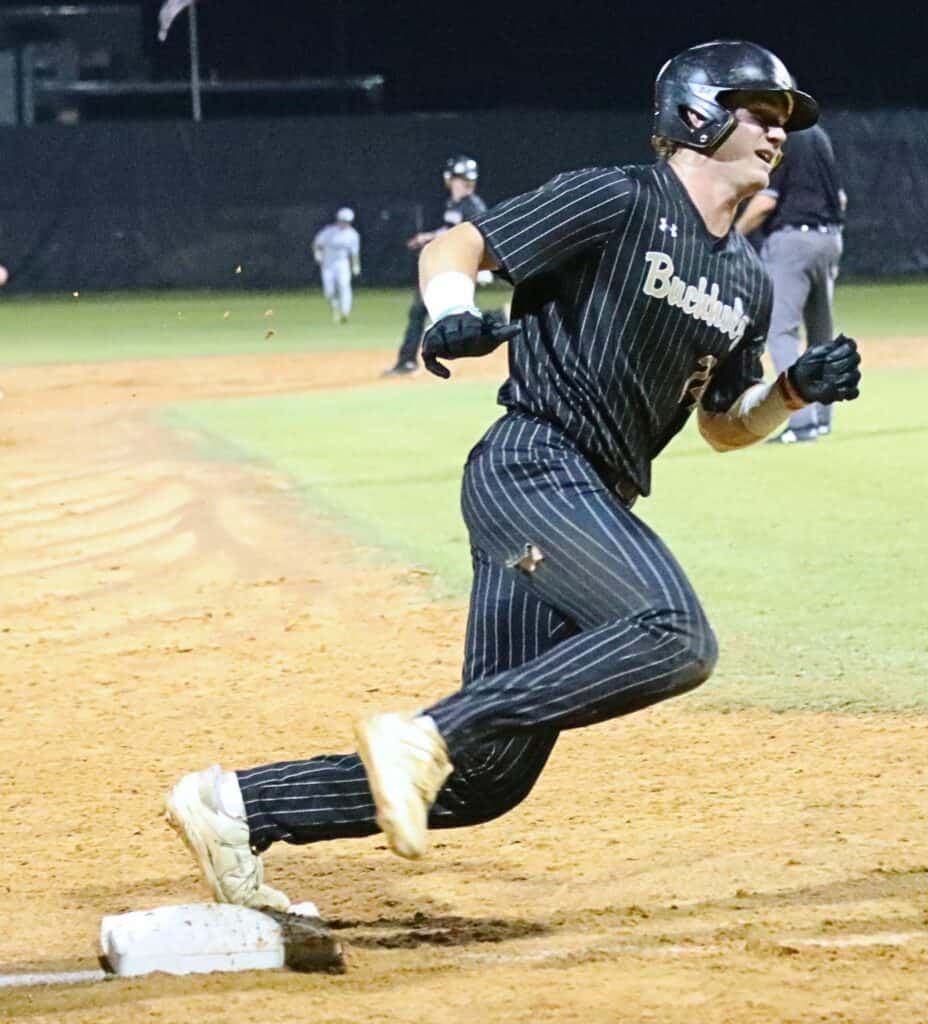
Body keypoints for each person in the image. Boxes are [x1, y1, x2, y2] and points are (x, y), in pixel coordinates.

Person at [164, 40, 861, 911]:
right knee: (674, 633)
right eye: (761, 112)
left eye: (783, 120)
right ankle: (425, 731)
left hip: (586, 498)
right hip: (533, 465)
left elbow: (721, 427)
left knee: (483, 781)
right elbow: (461, 245)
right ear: (698, 113)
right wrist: (454, 314)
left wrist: (790, 392)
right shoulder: (616, 197)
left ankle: (235, 806)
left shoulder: (745, 280)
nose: (777, 133)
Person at [735, 122, 847, 442]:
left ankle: (801, 422)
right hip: (829, 239)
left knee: (780, 330)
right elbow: (840, 200)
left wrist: (734, 234)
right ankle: (822, 418)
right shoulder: (820, 137)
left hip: (792, 242)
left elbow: (767, 201)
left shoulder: (784, 140)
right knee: (821, 333)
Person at [384, 155, 502, 375]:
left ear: (451, 178)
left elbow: (472, 236)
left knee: (429, 311)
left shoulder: (472, 206)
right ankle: (408, 359)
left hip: (458, 266)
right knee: (431, 311)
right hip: (451, 265)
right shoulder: (456, 204)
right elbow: (450, 231)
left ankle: (499, 319)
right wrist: (428, 237)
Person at [312, 207, 361, 324]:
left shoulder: (353, 235)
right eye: (343, 220)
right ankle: (335, 308)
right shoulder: (329, 232)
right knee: (329, 291)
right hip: (328, 264)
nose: (345, 223)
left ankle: (345, 312)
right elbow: (316, 243)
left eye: (347, 221)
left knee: (344, 286)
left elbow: (354, 252)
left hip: (342, 264)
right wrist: (317, 253)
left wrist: (355, 265)